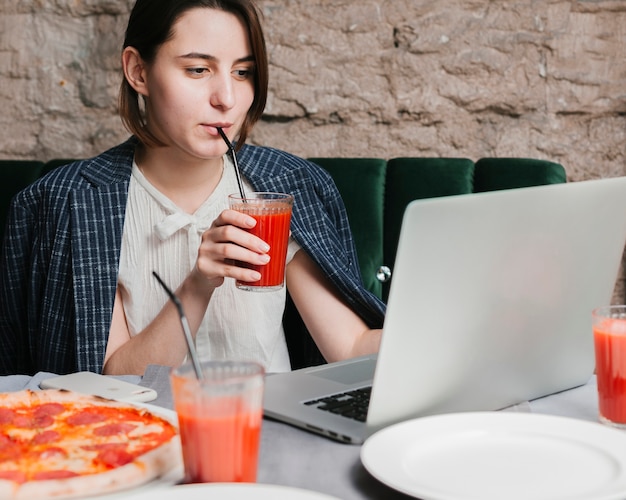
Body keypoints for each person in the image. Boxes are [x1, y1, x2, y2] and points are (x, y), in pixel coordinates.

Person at [0, 0, 385, 376]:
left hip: (270, 433)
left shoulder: (287, 187)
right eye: (199, 70)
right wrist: (199, 285)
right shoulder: (70, 203)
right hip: (140, 434)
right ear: (138, 71)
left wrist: (440, 329)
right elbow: (117, 379)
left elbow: (350, 348)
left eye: (242, 72)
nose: (227, 100)